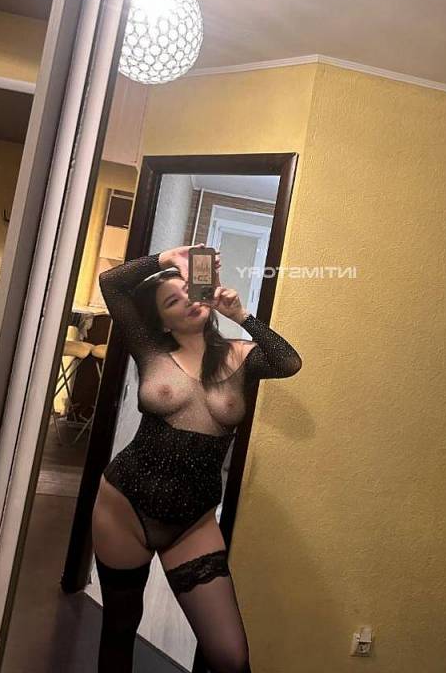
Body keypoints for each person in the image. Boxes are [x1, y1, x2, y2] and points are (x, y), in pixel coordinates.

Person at [91, 244, 302, 673]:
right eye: (173, 301)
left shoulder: (242, 356)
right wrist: (166, 259)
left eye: (189, 290)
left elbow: (289, 362)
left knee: (230, 656)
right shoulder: (150, 350)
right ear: (162, 322)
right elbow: (111, 283)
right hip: (124, 507)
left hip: (193, 523)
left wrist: (241, 315)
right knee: (119, 627)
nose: (187, 300)